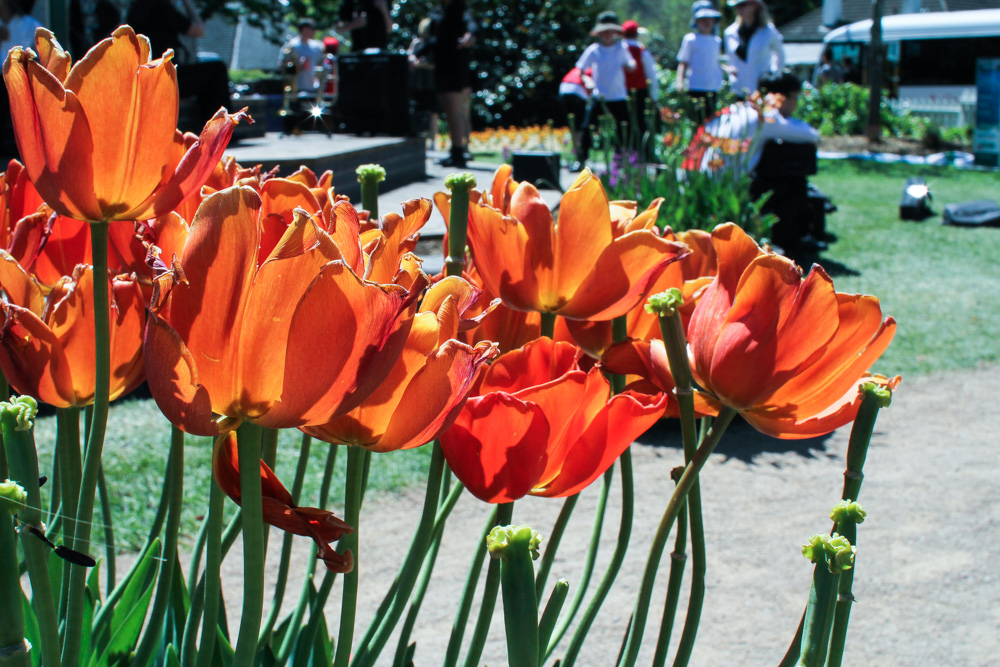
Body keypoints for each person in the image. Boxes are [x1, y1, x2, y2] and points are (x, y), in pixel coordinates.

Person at [749, 70, 823, 254]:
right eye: (795, 97)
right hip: (731, 182)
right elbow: (812, 135)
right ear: (782, 97)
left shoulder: (748, 109)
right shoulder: (767, 117)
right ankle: (794, 237)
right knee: (791, 184)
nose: (796, 103)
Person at [126, 0, 230, 133]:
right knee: (217, 70)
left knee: (208, 71)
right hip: (164, 76)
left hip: (146, 75)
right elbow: (198, 29)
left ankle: (212, 127)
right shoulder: (161, 7)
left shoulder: (138, 8)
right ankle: (219, 130)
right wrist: (187, 3)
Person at [413, 0, 477, 167]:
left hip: (453, 67)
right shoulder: (439, 12)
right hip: (442, 66)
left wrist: (469, 36)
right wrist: (417, 54)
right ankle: (456, 150)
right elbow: (433, 40)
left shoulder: (459, 10)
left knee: (453, 109)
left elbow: (472, 25)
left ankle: (458, 152)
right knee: (450, 110)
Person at [575, 11, 636, 166]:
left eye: (610, 32)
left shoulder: (621, 48)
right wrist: (586, 79)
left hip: (618, 95)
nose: (607, 35)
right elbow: (581, 69)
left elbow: (631, 63)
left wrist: (630, 66)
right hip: (599, 95)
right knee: (588, 126)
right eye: (604, 32)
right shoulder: (594, 50)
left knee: (624, 128)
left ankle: (622, 159)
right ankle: (581, 159)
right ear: (599, 33)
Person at [723, 0, 784, 96]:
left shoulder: (768, 31)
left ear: (754, 5)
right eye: (737, 6)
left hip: (763, 89)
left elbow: (780, 53)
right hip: (739, 89)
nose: (739, 9)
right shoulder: (730, 33)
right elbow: (731, 59)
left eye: (742, 5)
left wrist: (774, 74)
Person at [676, 1, 723, 121]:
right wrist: (680, 81)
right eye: (703, 19)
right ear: (696, 21)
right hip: (695, 86)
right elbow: (683, 62)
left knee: (711, 121)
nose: (706, 22)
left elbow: (714, 62)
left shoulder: (716, 40)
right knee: (696, 120)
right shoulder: (690, 39)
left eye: (709, 19)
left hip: (713, 86)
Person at [621, 20, 659, 142]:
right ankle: (643, 152)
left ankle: (625, 151)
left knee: (624, 122)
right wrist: (654, 96)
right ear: (636, 34)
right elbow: (652, 75)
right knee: (641, 123)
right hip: (640, 91)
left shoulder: (618, 50)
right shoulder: (642, 51)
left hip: (621, 92)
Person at [559, 66, 594, 168]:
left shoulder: (577, 69)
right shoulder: (592, 70)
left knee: (572, 125)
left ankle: (576, 152)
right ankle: (580, 156)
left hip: (563, 89)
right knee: (581, 126)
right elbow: (592, 86)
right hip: (578, 91)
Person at [280, 18, 325, 93]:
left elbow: (321, 64)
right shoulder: (291, 45)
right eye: (312, 29)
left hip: (313, 87)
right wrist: (298, 66)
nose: (314, 31)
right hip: (296, 88)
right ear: (304, 29)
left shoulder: (317, 46)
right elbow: (282, 66)